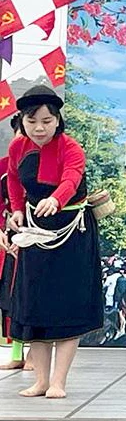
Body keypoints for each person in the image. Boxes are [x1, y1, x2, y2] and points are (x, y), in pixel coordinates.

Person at [5, 85, 104, 398]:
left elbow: (71, 178)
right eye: (32, 121)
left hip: (72, 233)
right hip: (35, 231)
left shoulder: (71, 147)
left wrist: (56, 200)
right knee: (33, 304)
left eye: (46, 121)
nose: (39, 128)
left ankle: (59, 382)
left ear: (57, 120)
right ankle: (41, 381)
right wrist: (17, 210)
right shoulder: (18, 148)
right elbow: (14, 182)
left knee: (66, 305)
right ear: (23, 121)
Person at [1, 116, 28, 370]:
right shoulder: (5, 168)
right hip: (11, 244)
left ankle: (36, 356)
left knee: (34, 299)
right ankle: (17, 353)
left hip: (38, 241)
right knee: (13, 299)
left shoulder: (45, 165)